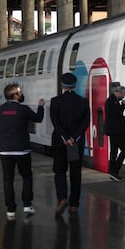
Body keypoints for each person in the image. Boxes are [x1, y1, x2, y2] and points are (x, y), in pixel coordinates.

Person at [0, 83, 45, 220]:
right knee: (26, 176)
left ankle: (10, 210)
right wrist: (41, 106)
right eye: (20, 92)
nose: (21, 94)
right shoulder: (23, 109)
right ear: (16, 95)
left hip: (5, 150)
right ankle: (27, 204)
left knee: (8, 179)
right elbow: (38, 119)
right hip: (21, 150)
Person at [50, 73, 90, 216]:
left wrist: (65, 137)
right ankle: (74, 204)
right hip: (74, 144)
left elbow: (56, 123)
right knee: (75, 172)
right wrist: (74, 138)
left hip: (61, 143)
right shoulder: (83, 102)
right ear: (74, 85)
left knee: (60, 171)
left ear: (62, 85)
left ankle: (62, 198)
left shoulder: (55, 101)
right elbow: (85, 122)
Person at [104, 85, 125, 181]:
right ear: (119, 92)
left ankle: (113, 172)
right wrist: (123, 105)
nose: (124, 96)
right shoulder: (112, 101)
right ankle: (114, 170)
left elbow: (114, 115)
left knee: (114, 151)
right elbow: (117, 112)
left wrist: (123, 118)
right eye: (123, 94)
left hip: (113, 130)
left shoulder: (111, 100)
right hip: (116, 130)